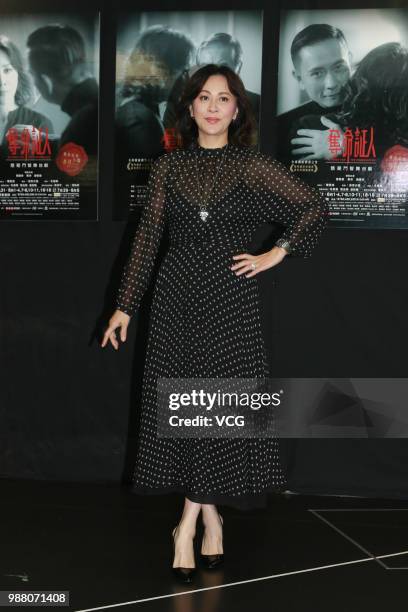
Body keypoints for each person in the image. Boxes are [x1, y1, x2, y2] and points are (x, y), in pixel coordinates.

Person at [101, 63, 328, 583]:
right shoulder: (168, 168)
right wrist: (125, 305)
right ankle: (210, 517)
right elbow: (147, 240)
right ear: (190, 108)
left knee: (217, 410)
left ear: (237, 109)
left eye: (223, 98)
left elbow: (312, 208)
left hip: (231, 299)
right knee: (188, 410)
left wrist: (277, 252)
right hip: (176, 298)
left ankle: (186, 524)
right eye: (203, 97)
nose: (212, 107)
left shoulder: (252, 165)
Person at [276, 23, 353, 163]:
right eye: (317, 73)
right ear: (299, 79)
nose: (332, 84)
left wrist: (348, 147)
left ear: (350, 62)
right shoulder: (280, 127)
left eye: (339, 68)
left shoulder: (384, 109)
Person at [26, 24, 98, 157]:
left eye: (32, 74)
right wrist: (43, 143)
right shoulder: (99, 104)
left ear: (46, 81)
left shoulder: (80, 129)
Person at [0, 35, 53, 152]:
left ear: (18, 74)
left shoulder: (40, 123)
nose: (1, 80)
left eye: (7, 70)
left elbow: (47, 168)